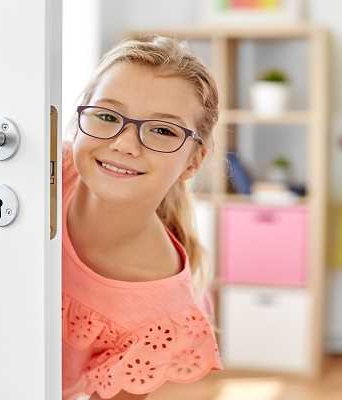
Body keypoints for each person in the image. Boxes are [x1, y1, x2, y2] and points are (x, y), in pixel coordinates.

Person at [62, 34, 224, 400]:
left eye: (163, 130)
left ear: (193, 161)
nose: (124, 144)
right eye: (107, 116)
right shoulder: (45, 173)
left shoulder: (160, 316)